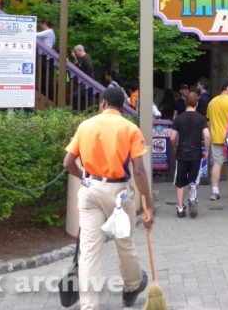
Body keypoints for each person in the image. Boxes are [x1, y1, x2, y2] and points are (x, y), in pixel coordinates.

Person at [62, 88, 151, 309]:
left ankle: (89, 306)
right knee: (124, 244)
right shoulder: (130, 129)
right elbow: (139, 172)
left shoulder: (85, 126)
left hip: (90, 190)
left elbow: (68, 163)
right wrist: (148, 204)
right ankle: (132, 286)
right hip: (118, 193)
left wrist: (84, 176)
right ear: (123, 107)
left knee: (89, 250)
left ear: (102, 103)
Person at [170, 92, 210, 218]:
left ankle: (180, 208)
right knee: (193, 179)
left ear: (185, 102)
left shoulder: (179, 118)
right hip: (196, 153)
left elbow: (172, 137)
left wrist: (175, 147)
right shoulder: (201, 119)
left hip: (182, 153)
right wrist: (207, 150)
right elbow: (207, 136)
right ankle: (192, 195)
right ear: (197, 103)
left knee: (180, 182)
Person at [206, 80, 228, 200]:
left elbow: (209, 119)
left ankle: (215, 191)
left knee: (217, 164)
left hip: (216, 138)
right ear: (227, 88)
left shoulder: (212, 102)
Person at [35, 19, 55, 98]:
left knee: (47, 78)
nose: (41, 26)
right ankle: (45, 95)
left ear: (44, 24)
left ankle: (50, 97)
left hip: (47, 57)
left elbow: (36, 34)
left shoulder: (49, 31)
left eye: (41, 24)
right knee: (43, 78)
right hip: (45, 57)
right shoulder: (49, 33)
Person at [72, 45, 94, 111]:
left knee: (75, 95)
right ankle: (88, 114)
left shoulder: (86, 58)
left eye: (75, 51)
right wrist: (75, 58)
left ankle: (75, 113)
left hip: (88, 83)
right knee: (87, 103)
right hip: (88, 83)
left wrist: (86, 79)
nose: (75, 53)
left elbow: (90, 68)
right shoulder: (83, 59)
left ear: (80, 50)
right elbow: (79, 70)